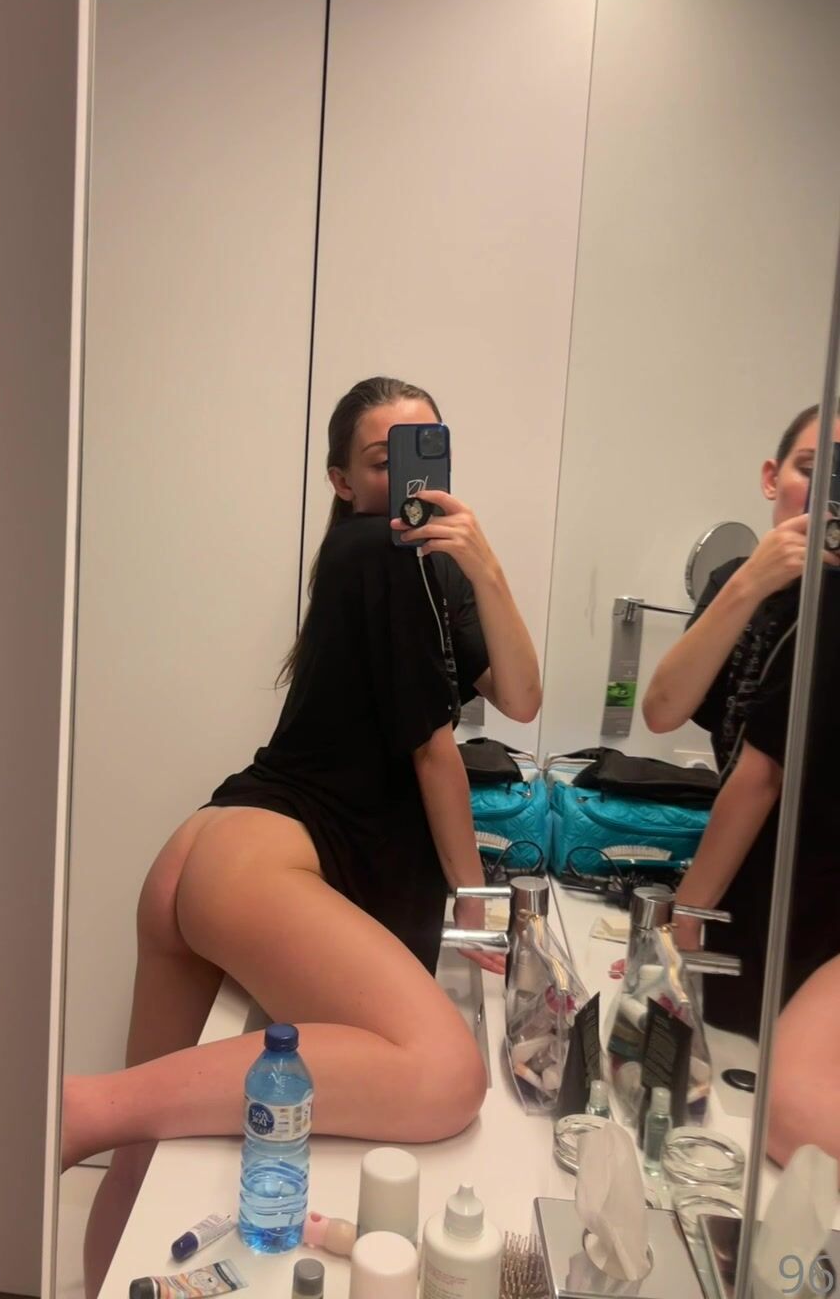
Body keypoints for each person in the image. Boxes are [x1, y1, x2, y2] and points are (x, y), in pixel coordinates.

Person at [64, 376, 541, 1296]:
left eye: (427, 450)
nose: (407, 475)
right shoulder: (375, 550)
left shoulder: (430, 570)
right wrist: (477, 903)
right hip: (260, 855)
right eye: (382, 459)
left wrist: (485, 564)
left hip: (218, 848)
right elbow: (434, 751)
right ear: (341, 480)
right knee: (446, 1076)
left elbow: (520, 697)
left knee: (141, 1146)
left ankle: (90, 1131)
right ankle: (73, 1106)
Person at [643, 403, 840, 1166]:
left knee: (773, 1103)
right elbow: (663, 710)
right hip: (754, 880)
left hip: (813, 896)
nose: (823, 495)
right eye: (810, 470)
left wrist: (683, 919)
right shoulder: (739, 582)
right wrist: (750, 582)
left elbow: (761, 778)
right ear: (770, 477)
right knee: (722, 1054)